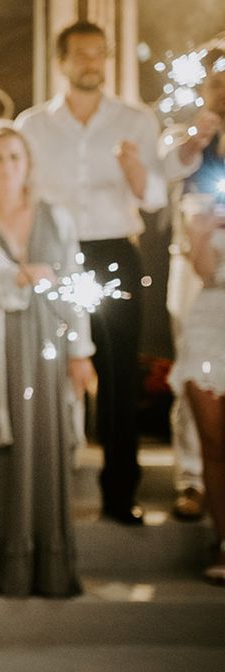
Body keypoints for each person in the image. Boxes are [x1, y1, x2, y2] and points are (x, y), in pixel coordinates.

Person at [16, 21, 167, 525]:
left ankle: (121, 496)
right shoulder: (34, 125)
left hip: (115, 254)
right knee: (48, 371)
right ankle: (43, 496)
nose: (91, 63)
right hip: (53, 256)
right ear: (61, 61)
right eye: (81, 54)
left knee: (121, 374)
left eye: (99, 54)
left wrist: (135, 173)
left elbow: (155, 197)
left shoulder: (135, 119)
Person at [0, 121, 95, 597]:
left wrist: (79, 354)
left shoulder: (56, 218)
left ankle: (46, 567)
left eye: (15, 157)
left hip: (46, 349)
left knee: (45, 442)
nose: (6, 167)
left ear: (28, 165)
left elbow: (75, 292)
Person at [160, 48, 225, 521]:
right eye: (216, 82)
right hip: (193, 262)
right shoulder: (191, 136)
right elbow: (165, 176)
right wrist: (193, 143)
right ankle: (191, 478)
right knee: (194, 375)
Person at [168, 195, 225, 585]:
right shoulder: (204, 198)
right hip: (211, 318)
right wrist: (201, 233)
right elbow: (205, 271)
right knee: (213, 441)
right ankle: (223, 543)